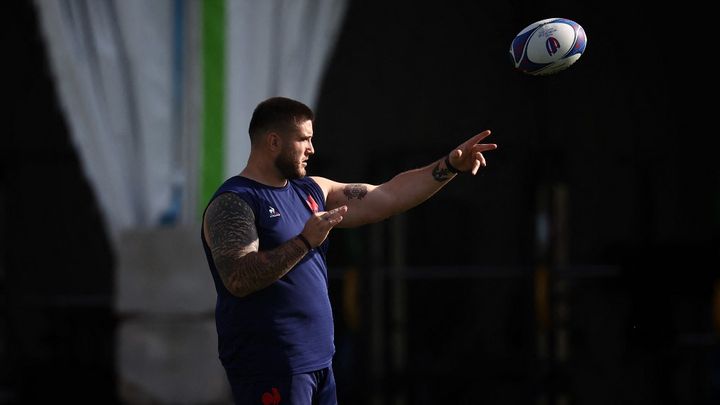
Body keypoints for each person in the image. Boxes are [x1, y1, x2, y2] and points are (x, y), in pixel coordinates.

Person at [200, 96, 497, 404]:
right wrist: (304, 242)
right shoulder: (234, 202)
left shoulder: (312, 190)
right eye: (304, 139)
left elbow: (389, 196)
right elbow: (238, 278)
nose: (312, 149)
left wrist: (449, 166)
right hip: (270, 365)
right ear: (274, 141)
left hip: (319, 362)